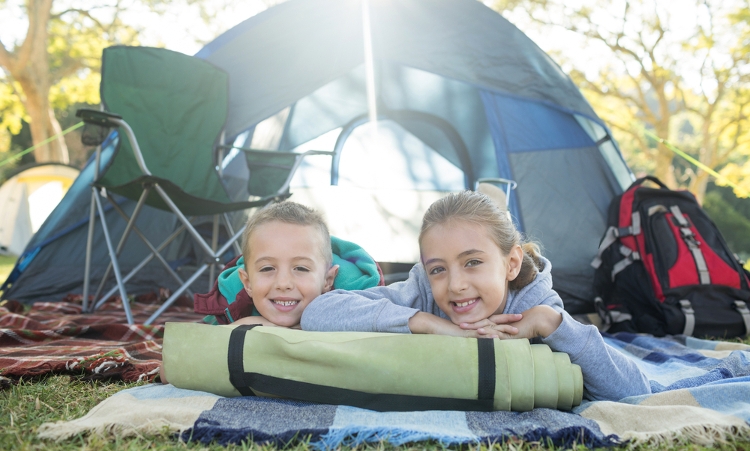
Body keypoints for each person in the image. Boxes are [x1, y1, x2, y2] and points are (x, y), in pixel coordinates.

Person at [301, 191, 651, 401]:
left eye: (472, 262)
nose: (455, 285)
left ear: (511, 263)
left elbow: (633, 391)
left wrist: (550, 322)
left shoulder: (533, 305)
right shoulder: (421, 293)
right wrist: (425, 322)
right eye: (438, 268)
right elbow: (318, 313)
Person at [162, 200, 382, 382]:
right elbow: (170, 371)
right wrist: (243, 327)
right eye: (268, 268)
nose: (283, 283)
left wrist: (305, 329)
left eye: (301, 268)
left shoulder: (357, 299)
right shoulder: (233, 303)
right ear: (247, 283)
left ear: (327, 280)